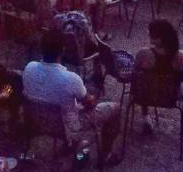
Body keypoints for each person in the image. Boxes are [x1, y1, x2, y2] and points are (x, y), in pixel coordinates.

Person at [23, 30, 121, 166]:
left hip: (38, 122)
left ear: (41, 48)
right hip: (67, 127)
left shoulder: (29, 68)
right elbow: (89, 105)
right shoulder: (71, 79)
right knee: (115, 108)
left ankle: (77, 149)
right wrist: (90, 99)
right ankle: (104, 156)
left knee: (69, 106)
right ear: (62, 50)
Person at [133, 20, 183, 133]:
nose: (148, 34)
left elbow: (135, 73)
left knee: (144, 82)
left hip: (145, 96)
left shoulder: (144, 54)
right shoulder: (182, 57)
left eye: (150, 33)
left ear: (159, 38)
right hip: (169, 98)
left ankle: (145, 117)